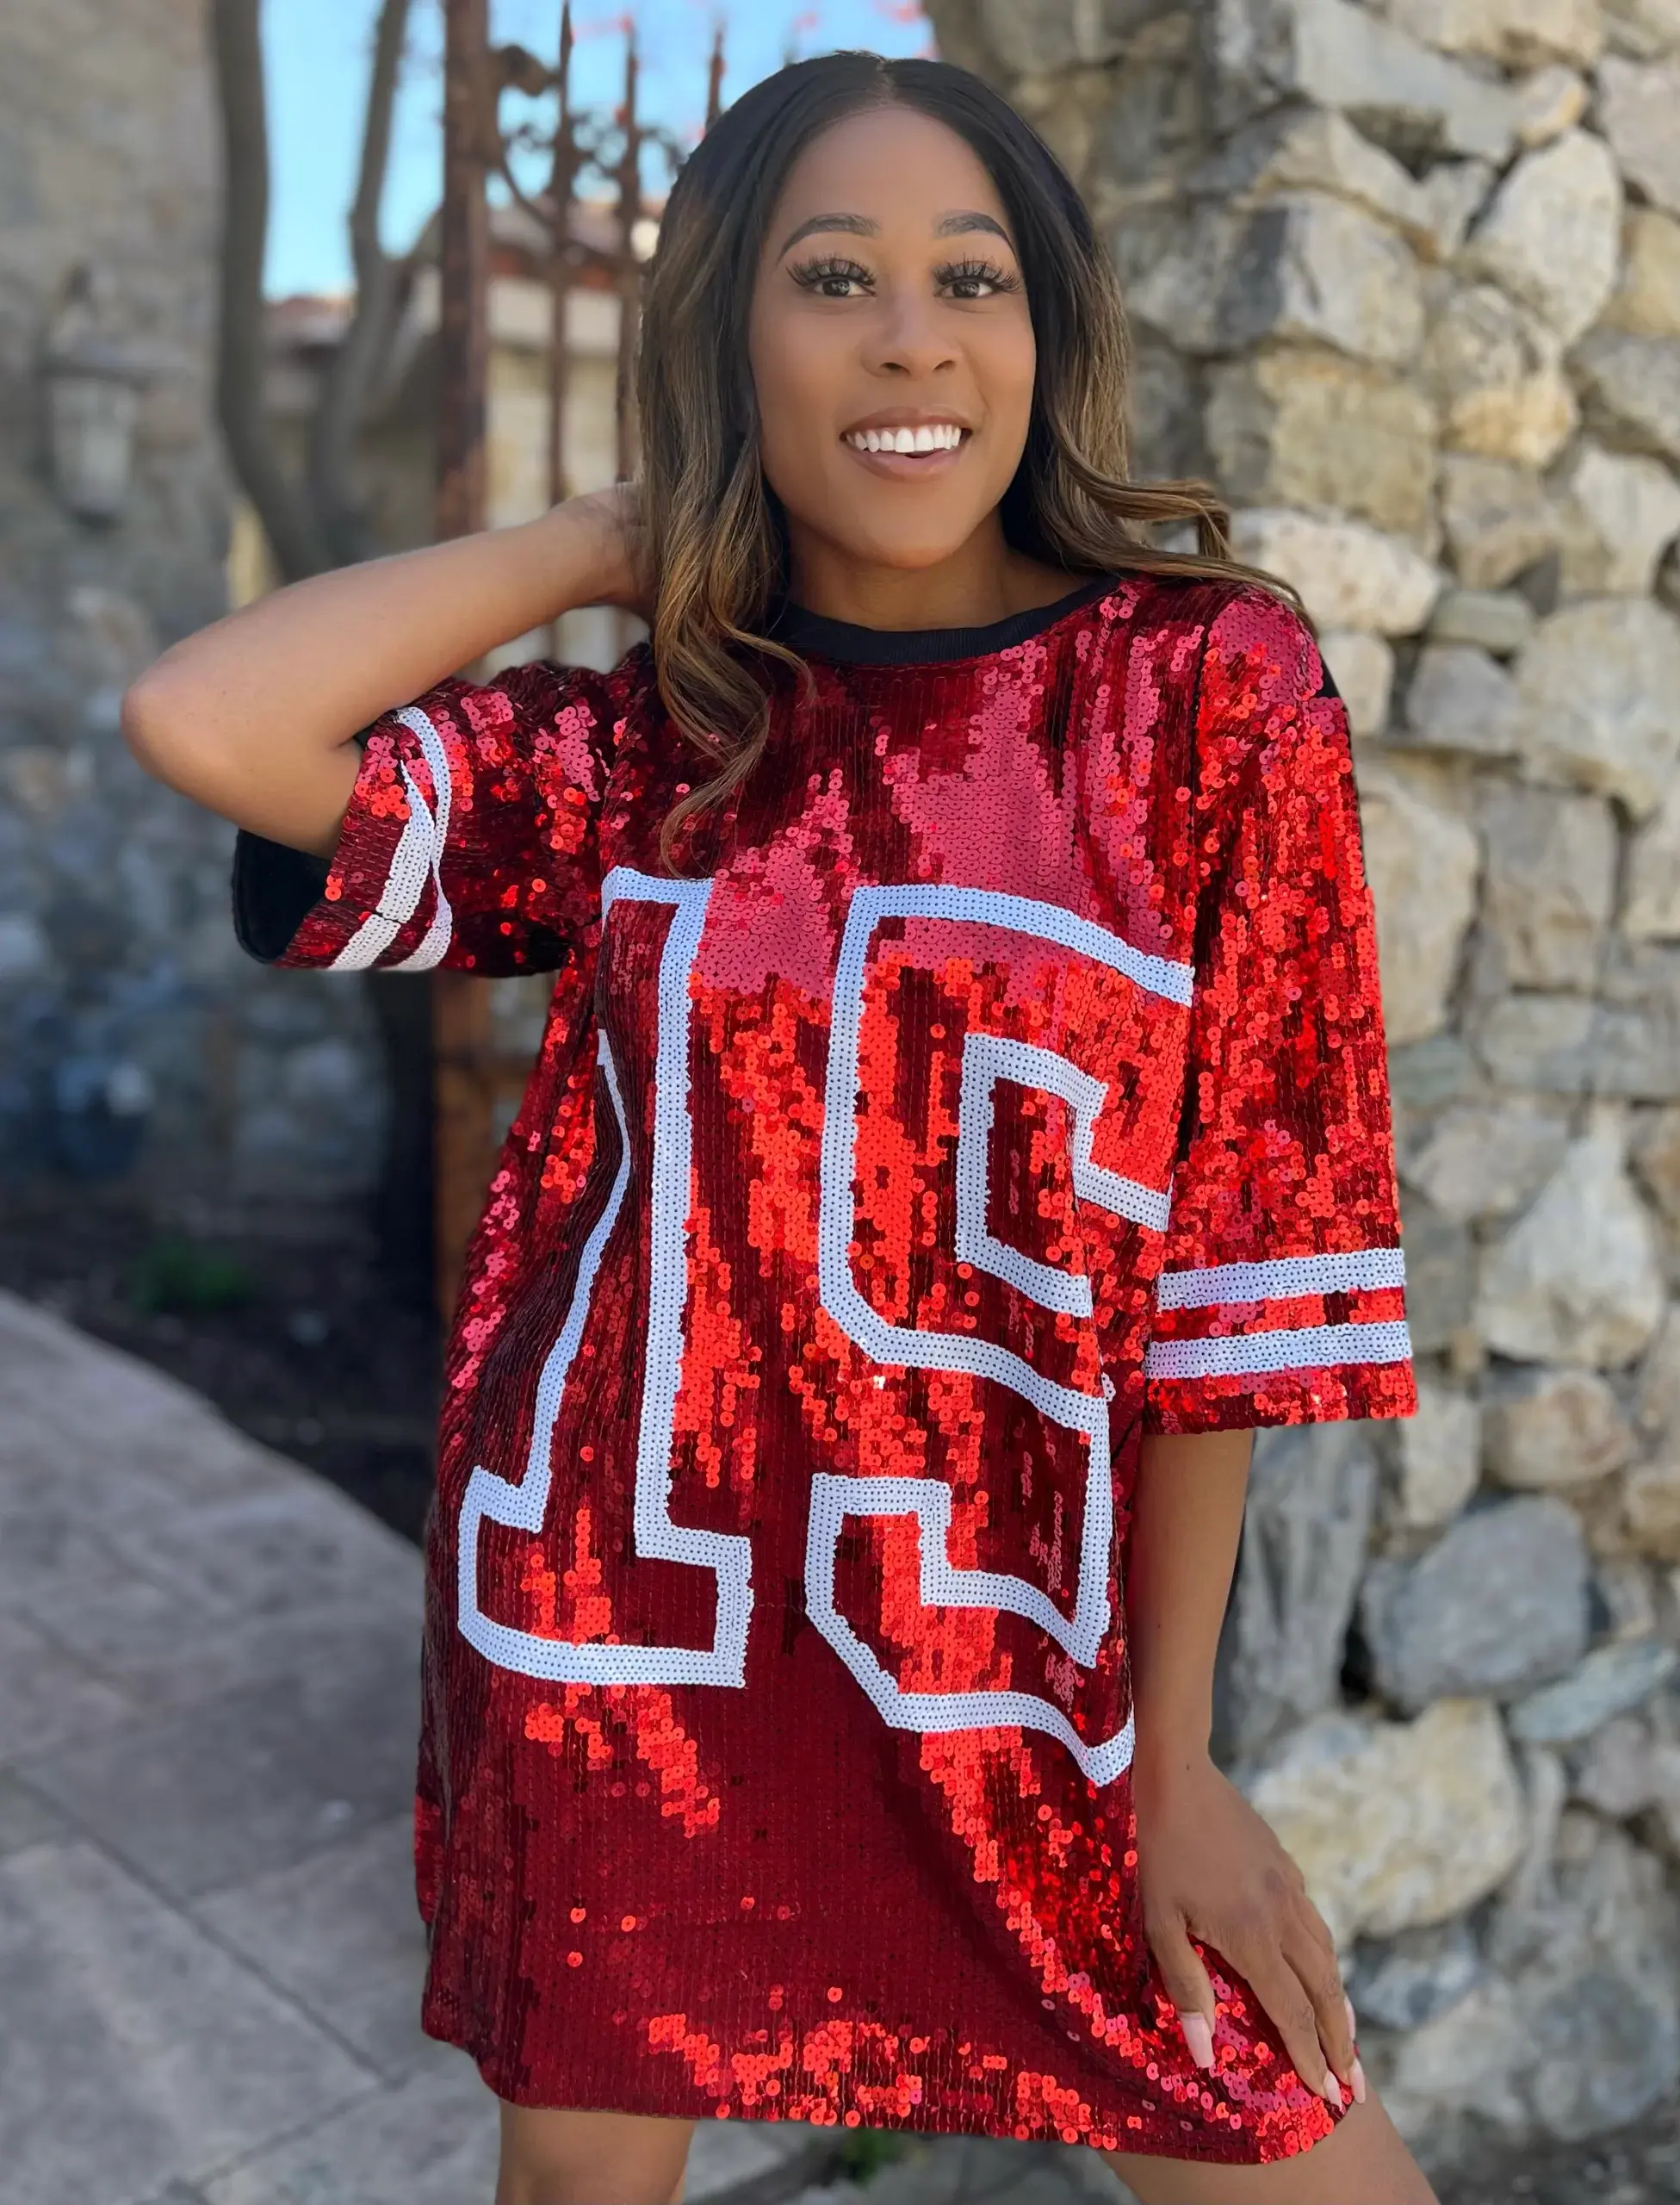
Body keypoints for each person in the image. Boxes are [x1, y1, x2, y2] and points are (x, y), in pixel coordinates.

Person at [124, 49, 1436, 2205]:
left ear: (1044, 329)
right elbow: (206, 716)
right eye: (832, 276)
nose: (912, 332)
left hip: (1019, 1671)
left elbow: (1237, 1273)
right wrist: (615, 539)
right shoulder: (653, 738)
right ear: (732, 333)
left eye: (970, 276)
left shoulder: (1207, 691)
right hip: (631, 1633)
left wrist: (1173, 1755)